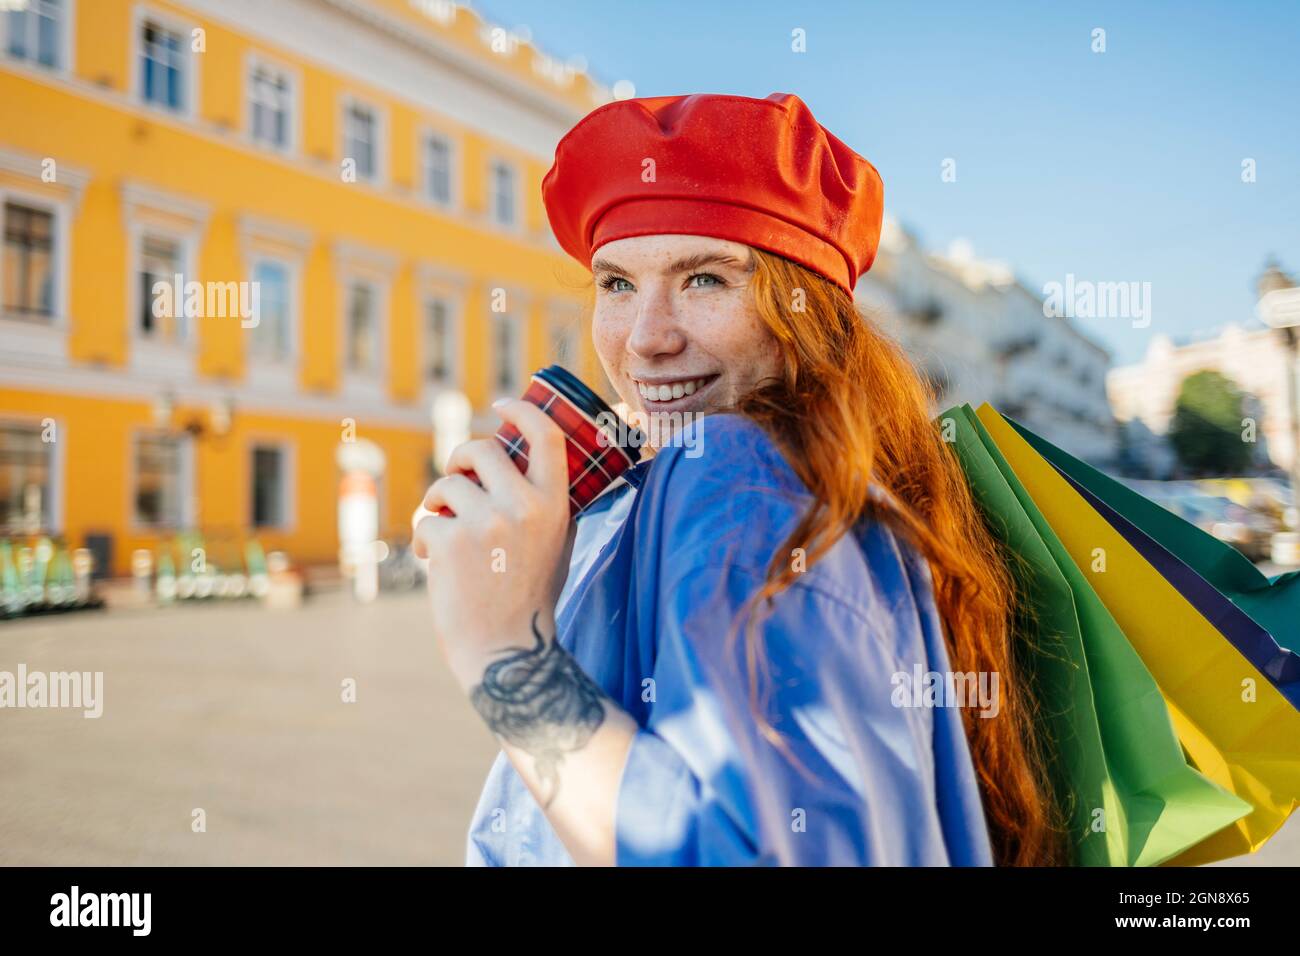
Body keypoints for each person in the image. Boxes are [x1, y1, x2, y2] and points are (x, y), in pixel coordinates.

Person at [413, 92, 1066, 866]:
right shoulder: (819, 480)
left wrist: (501, 649)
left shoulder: (731, 471)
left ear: (805, 315)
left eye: (706, 280)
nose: (646, 339)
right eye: (616, 284)